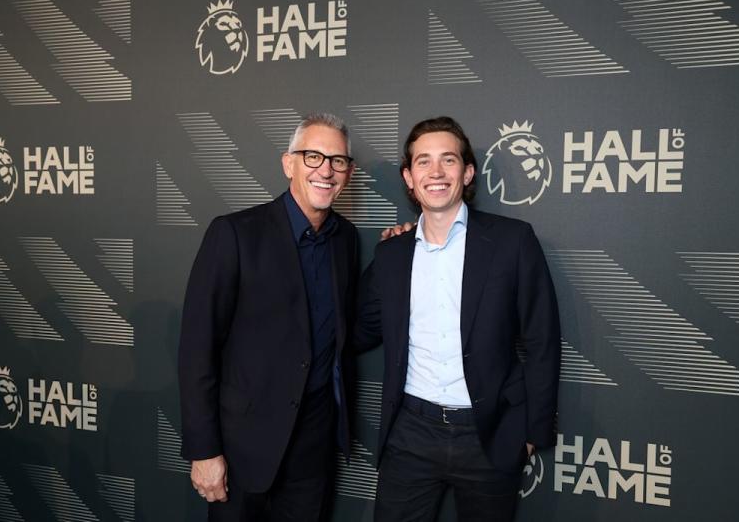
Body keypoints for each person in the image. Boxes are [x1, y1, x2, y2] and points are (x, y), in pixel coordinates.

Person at [355, 116, 561, 521]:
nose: (436, 172)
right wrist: (382, 260)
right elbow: (360, 330)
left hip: (488, 434)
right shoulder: (393, 255)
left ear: (466, 173)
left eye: (448, 160)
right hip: (410, 432)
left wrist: (533, 431)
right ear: (409, 178)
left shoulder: (512, 241)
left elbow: (542, 338)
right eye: (423, 162)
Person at [178, 113, 360, 521]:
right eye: (313, 156)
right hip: (242, 450)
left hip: (313, 452)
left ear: (348, 172)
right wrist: (205, 450)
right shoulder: (235, 234)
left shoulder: (346, 240)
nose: (326, 170)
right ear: (288, 164)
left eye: (338, 160)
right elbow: (197, 349)